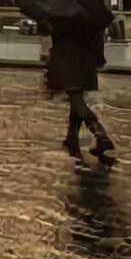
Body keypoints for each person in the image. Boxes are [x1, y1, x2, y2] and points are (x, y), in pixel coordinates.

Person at [44, 12, 114, 159]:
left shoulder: (61, 16)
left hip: (68, 64)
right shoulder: (89, 16)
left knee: (77, 102)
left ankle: (101, 136)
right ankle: (72, 138)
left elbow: (51, 36)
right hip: (86, 64)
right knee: (76, 102)